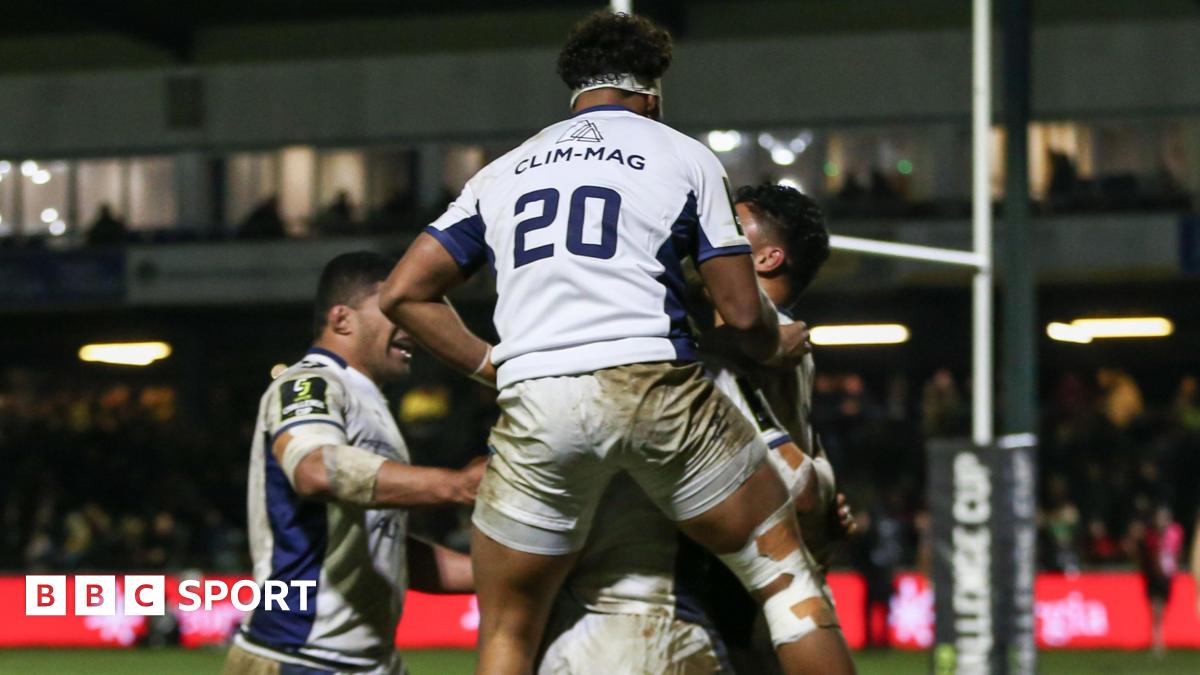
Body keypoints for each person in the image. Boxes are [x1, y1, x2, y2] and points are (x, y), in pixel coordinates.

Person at [380, 12, 855, 675]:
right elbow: (744, 316)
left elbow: (402, 292)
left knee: (508, 630)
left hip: (539, 402)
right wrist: (776, 345)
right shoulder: (683, 155)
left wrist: (491, 364)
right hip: (653, 386)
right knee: (787, 582)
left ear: (574, 89)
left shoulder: (504, 171)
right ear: (652, 94)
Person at [536, 182, 857, 674]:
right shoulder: (773, 341)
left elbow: (797, 486)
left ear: (768, 258)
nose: (710, 234)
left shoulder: (756, 338)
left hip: (710, 587)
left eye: (731, 227)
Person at [224, 252, 485, 675]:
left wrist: (519, 570)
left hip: (365, 663)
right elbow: (314, 469)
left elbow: (389, 550)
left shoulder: (369, 401)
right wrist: (455, 485)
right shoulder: (309, 381)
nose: (412, 325)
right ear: (342, 319)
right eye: (393, 310)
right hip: (300, 658)